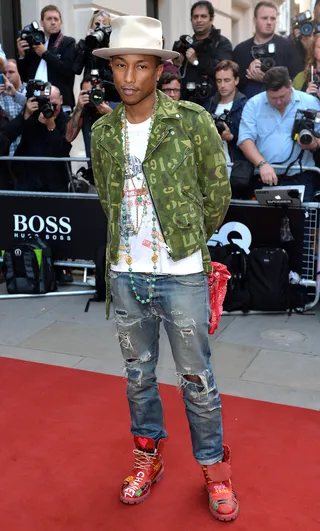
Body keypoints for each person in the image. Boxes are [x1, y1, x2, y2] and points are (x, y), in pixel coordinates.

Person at [91, 14, 239, 523]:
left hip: (181, 275)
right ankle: (148, 458)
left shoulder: (192, 121)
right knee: (138, 377)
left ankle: (216, 473)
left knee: (197, 378)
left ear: (159, 69)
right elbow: (108, 199)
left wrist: (187, 243)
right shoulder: (104, 132)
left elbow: (218, 193)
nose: (128, 78)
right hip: (127, 274)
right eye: (120, 67)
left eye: (140, 66)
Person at [238, 66, 320, 201]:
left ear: (290, 84)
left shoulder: (310, 103)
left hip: (300, 177)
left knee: (300, 221)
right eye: (272, 98)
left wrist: (314, 144)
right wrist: (262, 164)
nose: (278, 102)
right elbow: (245, 140)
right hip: (264, 177)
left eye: (282, 96)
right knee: (265, 221)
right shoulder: (254, 105)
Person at [4, 84, 71, 192]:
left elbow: (62, 151)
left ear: (61, 100)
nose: (51, 109)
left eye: (54, 105)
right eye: (47, 104)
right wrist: (25, 115)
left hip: (54, 180)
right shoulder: (32, 114)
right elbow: (7, 135)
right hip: (27, 177)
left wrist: (51, 126)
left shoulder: (65, 120)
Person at [233, 1, 299, 99]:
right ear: (255, 21)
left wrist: (267, 79)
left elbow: (296, 81)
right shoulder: (241, 50)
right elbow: (232, 82)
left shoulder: (287, 47)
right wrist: (248, 73)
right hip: (247, 107)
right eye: (264, 18)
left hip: (279, 106)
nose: (269, 22)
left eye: (273, 18)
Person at [173, 1, 232, 109]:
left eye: (203, 16)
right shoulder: (187, 44)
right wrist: (177, 63)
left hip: (212, 104)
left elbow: (223, 71)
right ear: (191, 19)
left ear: (211, 18)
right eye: (195, 17)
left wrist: (196, 61)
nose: (199, 20)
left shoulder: (222, 43)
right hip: (187, 102)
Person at [17, 4, 76, 108]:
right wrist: (21, 56)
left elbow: (68, 69)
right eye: (49, 19)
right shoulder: (35, 43)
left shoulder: (68, 42)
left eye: (56, 19)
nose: (53, 22)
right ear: (41, 22)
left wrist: (45, 54)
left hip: (59, 104)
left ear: (60, 23)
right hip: (34, 103)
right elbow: (23, 77)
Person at [207, 60, 248, 175]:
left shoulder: (246, 105)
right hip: (211, 169)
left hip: (236, 169)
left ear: (237, 80)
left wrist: (232, 137)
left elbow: (253, 140)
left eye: (227, 80)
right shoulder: (209, 104)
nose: (222, 85)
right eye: (219, 81)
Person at [73, 9, 119, 103]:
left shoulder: (113, 46)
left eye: (104, 23)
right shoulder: (84, 44)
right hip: (89, 89)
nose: (100, 26)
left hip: (109, 91)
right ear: (91, 26)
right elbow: (76, 69)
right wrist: (87, 44)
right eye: (97, 23)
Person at [0, 59, 27, 154]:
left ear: (19, 72)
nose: (7, 76)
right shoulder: (1, 94)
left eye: (11, 72)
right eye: (4, 73)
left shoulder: (29, 90)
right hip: (7, 151)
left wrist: (15, 95)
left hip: (27, 148)